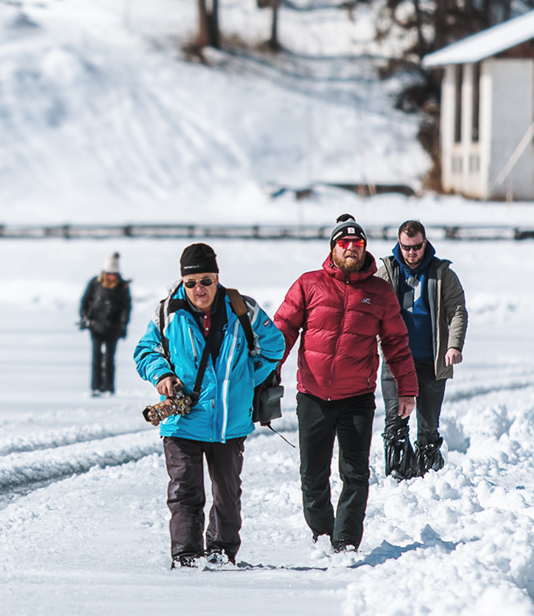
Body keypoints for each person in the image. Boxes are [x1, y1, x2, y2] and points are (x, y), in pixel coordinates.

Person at [273, 216, 418, 553]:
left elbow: (396, 344)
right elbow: (283, 330)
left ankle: (346, 542)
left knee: (355, 474)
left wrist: (407, 389)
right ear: (333, 249)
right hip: (313, 396)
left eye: (357, 243)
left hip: (357, 398)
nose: (351, 248)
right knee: (312, 475)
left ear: (365, 249)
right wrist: (266, 371)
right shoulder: (309, 284)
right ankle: (323, 534)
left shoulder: (379, 292)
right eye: (344, 243)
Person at [134, 243, 285, 567]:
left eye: (205, 281)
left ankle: (221, 552)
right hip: (182, 421)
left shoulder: (243, 308)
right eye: (190, 283)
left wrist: (245, 379)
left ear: (217, 278)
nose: (198, 289)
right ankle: (186, 555)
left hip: (228, 421)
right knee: (184, 492)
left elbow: (274, 346)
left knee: (227, 495)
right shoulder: (167, 312)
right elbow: (146, 351)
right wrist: (162, 375)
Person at [376, 219, 467, 479]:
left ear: (425, 243)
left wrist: (454, 345)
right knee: (395, 422)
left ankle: (429, 477)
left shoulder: (442, 273)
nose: (412, 252)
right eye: (406, 247)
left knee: (428, 426)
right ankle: (397, 476)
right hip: (395, 361)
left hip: (431, 361)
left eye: (416, 247)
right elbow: (369, 309)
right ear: (399, 243)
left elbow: (457, 311)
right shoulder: (387, 271)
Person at [78, 253, 132, 396]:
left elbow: (126, 308)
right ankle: (95, 386)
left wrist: (123, 325)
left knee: (109, 358)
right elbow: (85, 301)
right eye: (108, 274)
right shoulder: (95, 283)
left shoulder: (122, 286)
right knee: (96, 357)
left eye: (113, 274)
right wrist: (84, 317)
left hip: (113, 328)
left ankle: (109, 387)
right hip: (96, 326)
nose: (110, 277)